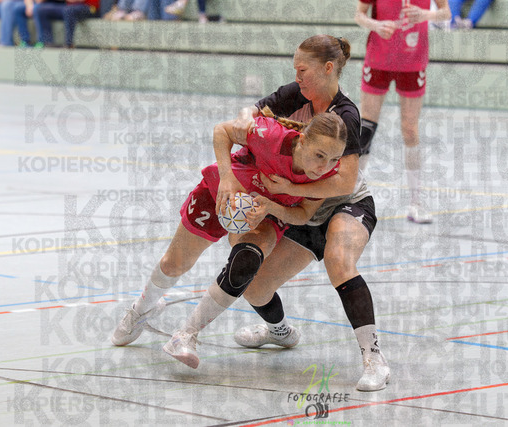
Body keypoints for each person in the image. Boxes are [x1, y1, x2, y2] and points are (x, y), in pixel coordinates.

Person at [111, 108, 348, 370]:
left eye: (334, 159)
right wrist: (226, 177)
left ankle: (186, 335)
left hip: (264, 213)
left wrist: (270, 207)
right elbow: (222, 130)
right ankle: (140, 310)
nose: (324, 166)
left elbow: (303, 214)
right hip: (222, 193)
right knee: (174, 264)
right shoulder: (270, 135)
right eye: (319, 155)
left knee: (246, 263)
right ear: (302, 140)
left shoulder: (328, 175)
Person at [230, 35, 390, 392]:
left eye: (302, 70)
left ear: (327, 69)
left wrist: (290, 189)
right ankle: (279, 332)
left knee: (338, 260)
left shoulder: (346, 114)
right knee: (255, 286)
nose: (297, 76)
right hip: (304, 208)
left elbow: (345, 181)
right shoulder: (297, 95)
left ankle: (374, 358)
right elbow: (254, 110)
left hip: (345, 203)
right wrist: (243, 117)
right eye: (295, 70)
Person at [354, 0, 451, 223]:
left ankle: (416, 203)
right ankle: (351, 197)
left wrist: (426, 15)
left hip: (413, 61)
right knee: (366, 129)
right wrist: (376, 25)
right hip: (379, 59)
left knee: (410, 130)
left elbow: (446, 13)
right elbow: (359, 15)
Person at [32, 0, 99, 47]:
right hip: (68, 7)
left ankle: (68, 44)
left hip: (90, 8)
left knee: (69, 11)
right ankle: (47, 43)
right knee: (40, 10)